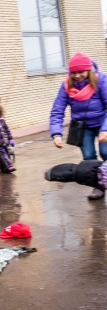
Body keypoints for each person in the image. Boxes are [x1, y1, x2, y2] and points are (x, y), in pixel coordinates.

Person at [49, 52, 107, 200]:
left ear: (88, 69)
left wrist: (105, 129)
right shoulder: (67, 85)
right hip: (82, 126)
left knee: (105, 152)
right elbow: (58, 109)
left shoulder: (101, 80)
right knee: (88, 158)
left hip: (103, 122)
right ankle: (98, 186)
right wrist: (56, 133)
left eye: (80, 72)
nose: (77, 76)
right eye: (74, 72)